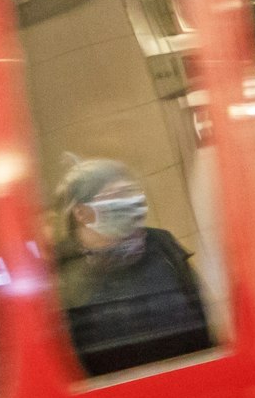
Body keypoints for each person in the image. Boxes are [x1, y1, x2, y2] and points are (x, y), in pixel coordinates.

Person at [53, 157, 212, 376]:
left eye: (131, 193)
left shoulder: (162, 245)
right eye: (116, 196)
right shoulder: (61, 274)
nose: (130, 202)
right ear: (81, 213)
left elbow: (205, 318)